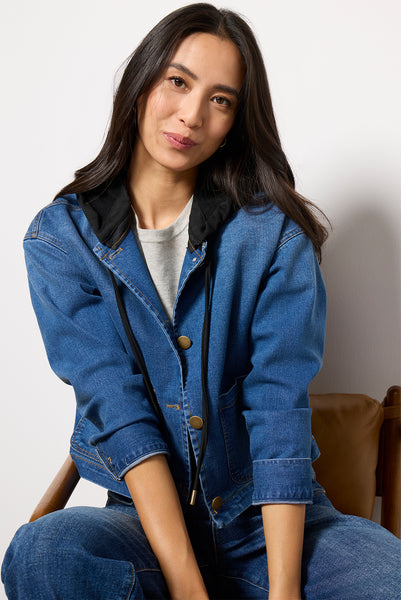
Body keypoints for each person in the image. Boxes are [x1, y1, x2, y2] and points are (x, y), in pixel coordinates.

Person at [2, 3, 400, 599]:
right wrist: (190, 590)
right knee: (44, 553)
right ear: (141, 84)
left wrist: (284, 593)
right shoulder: (61, 241)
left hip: (267, 521)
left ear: (237, 120)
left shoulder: (274, 236)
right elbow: (118, 411)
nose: (191, 115)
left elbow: (277, 408)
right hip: (142, 524)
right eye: (178, 82)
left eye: (221, 99)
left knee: (389, 576)